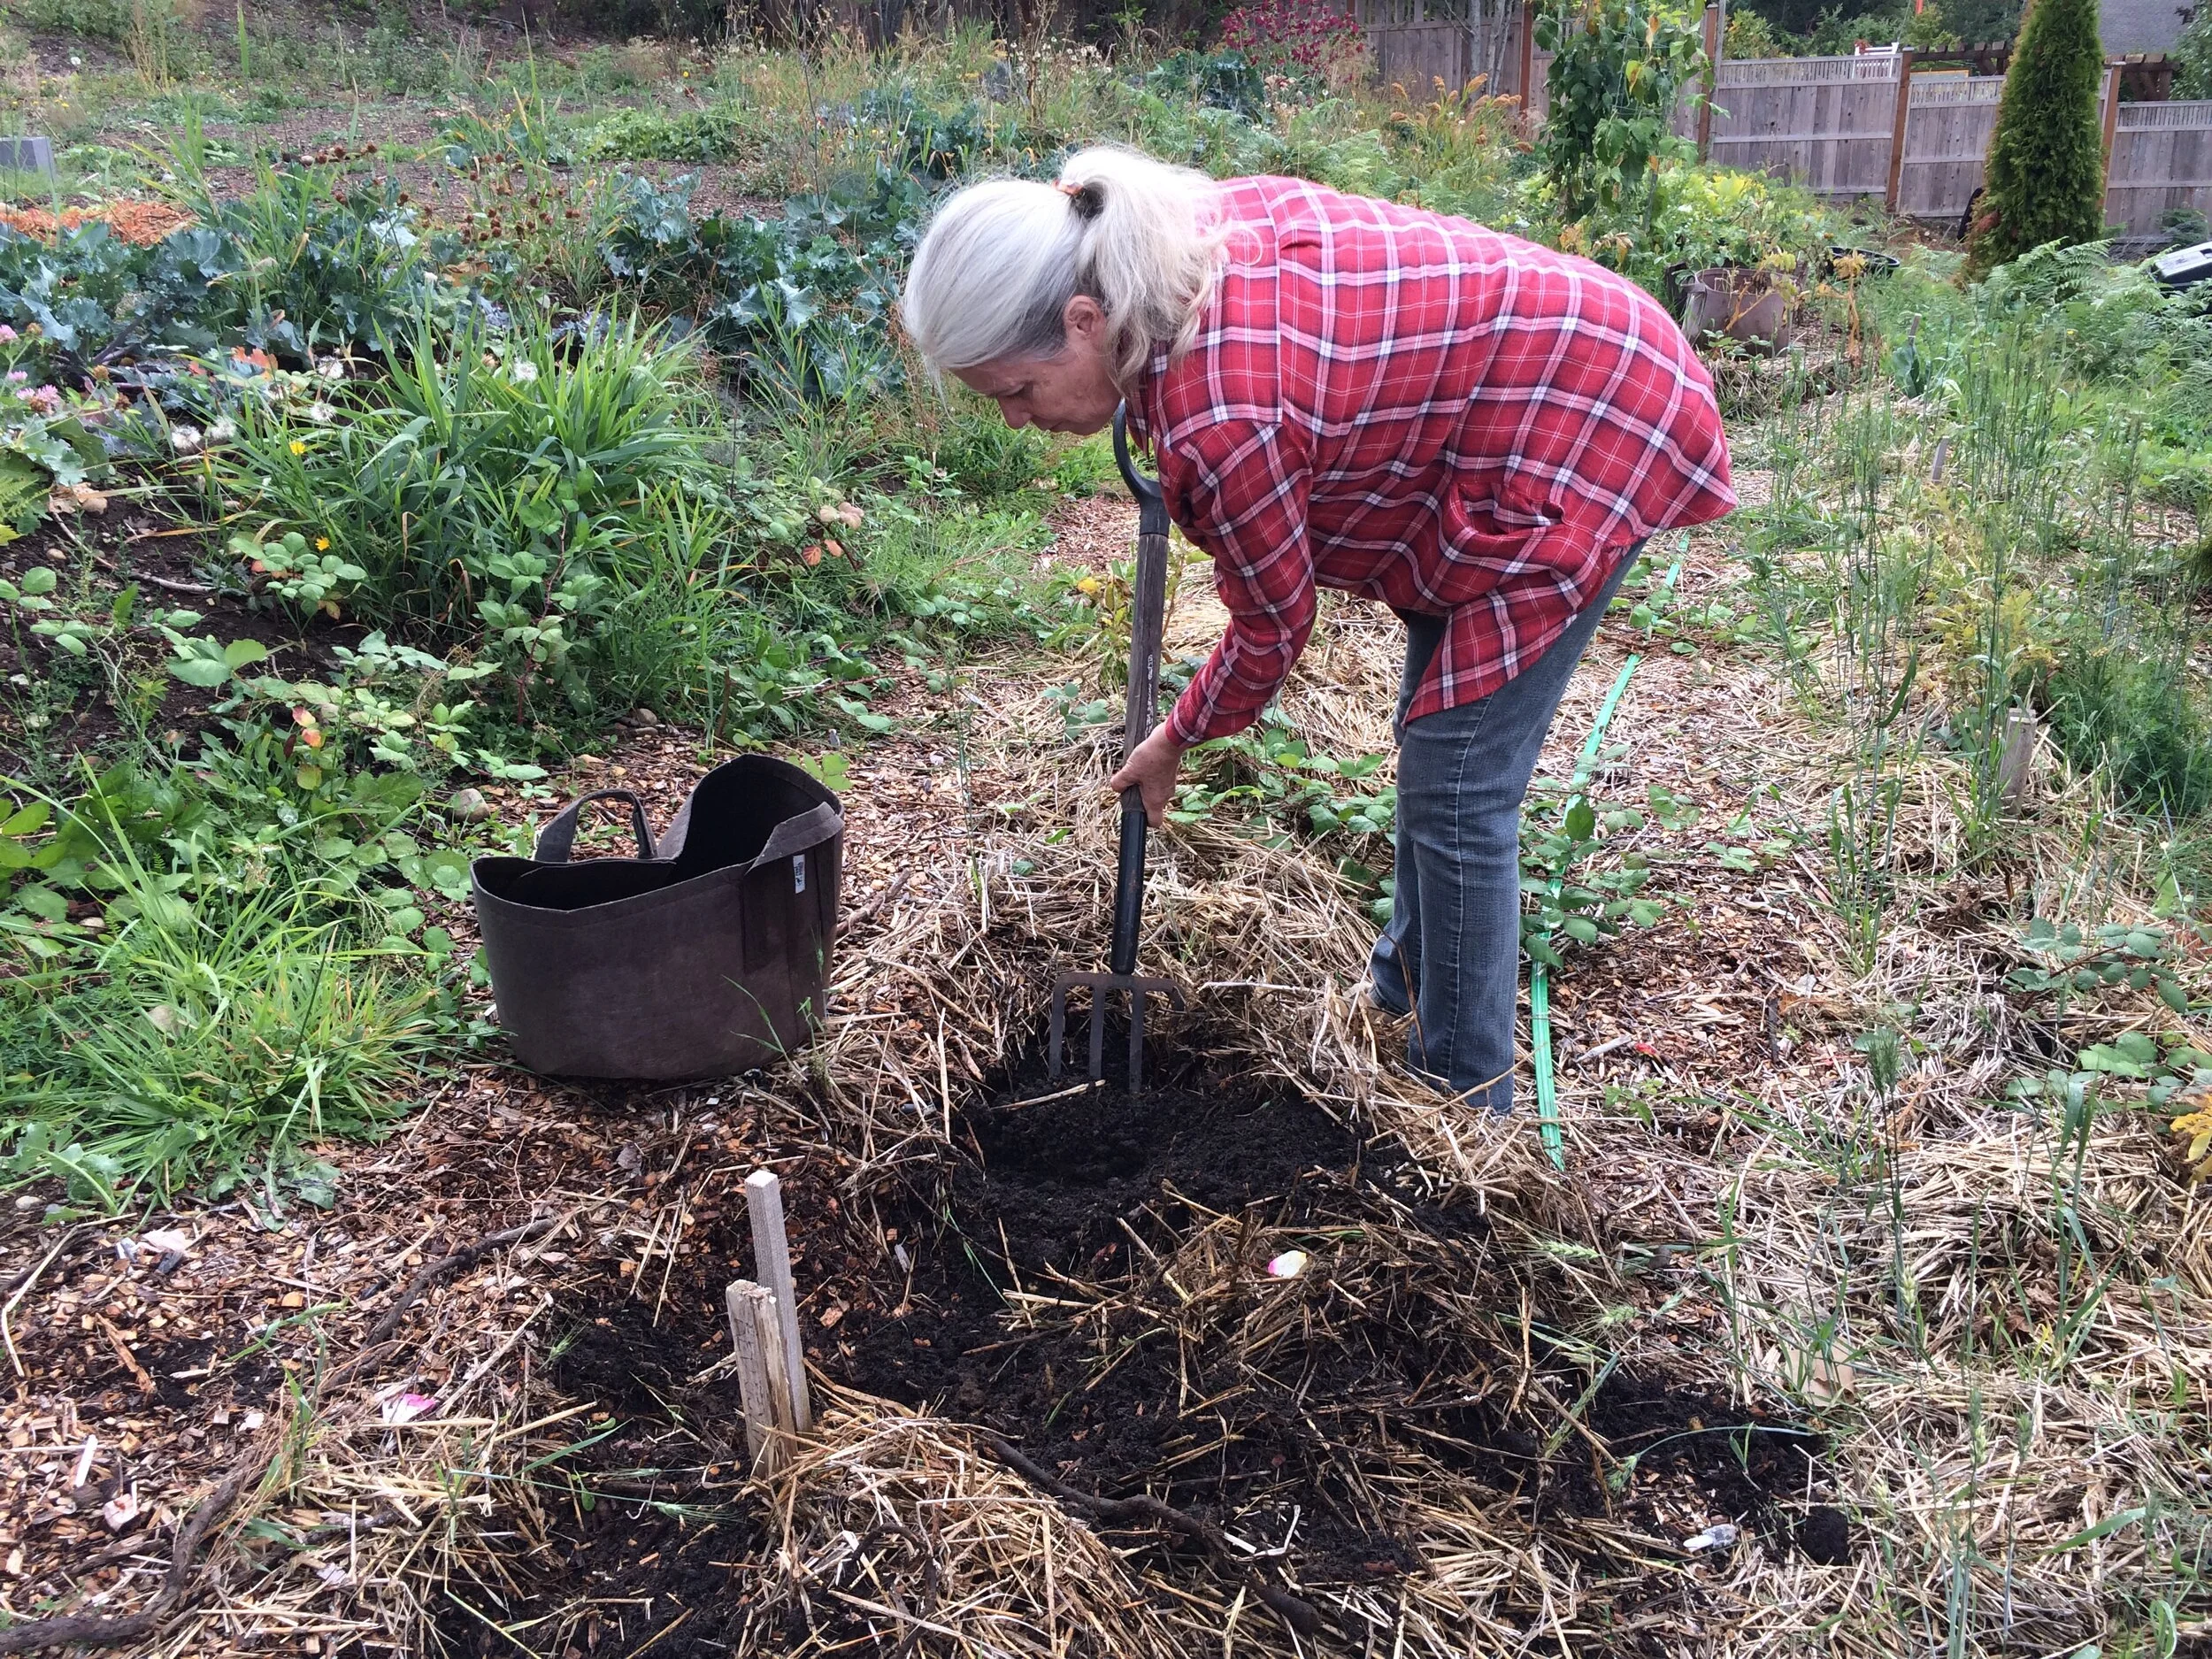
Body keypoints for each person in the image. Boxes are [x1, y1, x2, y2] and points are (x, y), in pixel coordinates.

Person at [901, 146, 1734, 1111]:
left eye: (1015, 391)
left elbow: (1272, 628)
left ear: (1084, 324)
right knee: (1436, 745)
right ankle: (1404, 988)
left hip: (1587, 413)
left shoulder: (1223, 418)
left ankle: (1466, 1104)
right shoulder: (1158, 253)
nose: (1012, 421)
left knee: (1458, 779)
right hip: (1475, 425)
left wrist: (1176, 735)